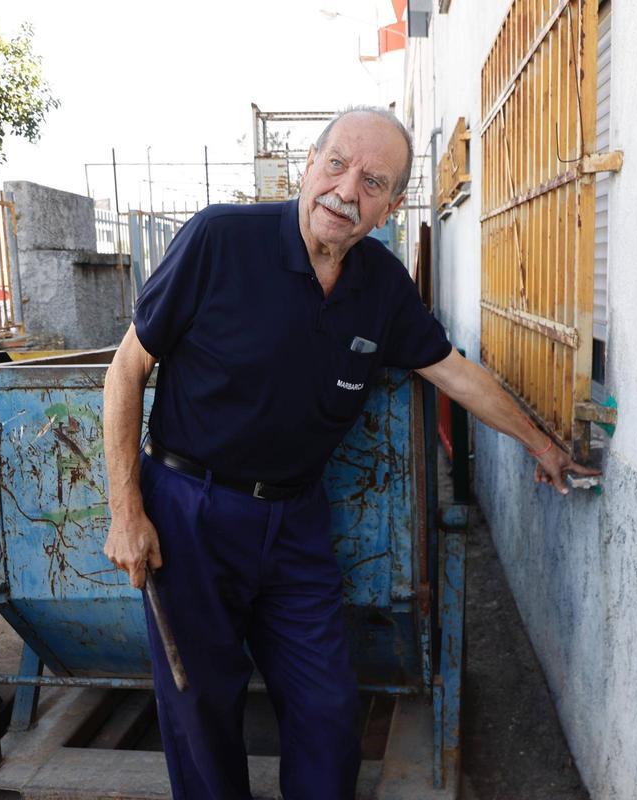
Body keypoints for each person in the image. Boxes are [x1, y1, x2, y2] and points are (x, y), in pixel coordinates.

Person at [102, 106, 596, 800]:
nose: (345, 191)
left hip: (295, 523)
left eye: (373, 181)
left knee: (329, 709)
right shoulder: (220, 238)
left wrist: (541, 442)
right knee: (201, 712)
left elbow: (453, 371)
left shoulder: (381, 285)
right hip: (190, 511)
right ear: (309, 163)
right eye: (336, 165)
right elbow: (125, 371)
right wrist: (127, 511)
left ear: (393, 205)